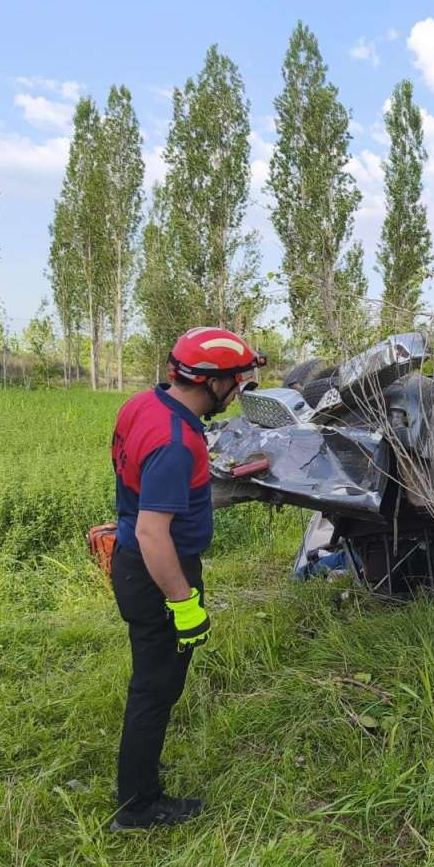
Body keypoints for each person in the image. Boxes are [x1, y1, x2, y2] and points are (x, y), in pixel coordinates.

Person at [107, 327, 265, 831]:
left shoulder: (145, 405)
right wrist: (183, 602)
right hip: (157, 571)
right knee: (155, 688)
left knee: (152, 683)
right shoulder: (176, 442)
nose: (240, 390)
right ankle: (138, 805)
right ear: (213, 382)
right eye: (237, 380)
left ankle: (141, 770)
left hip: (135, 561)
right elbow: (156, 534)